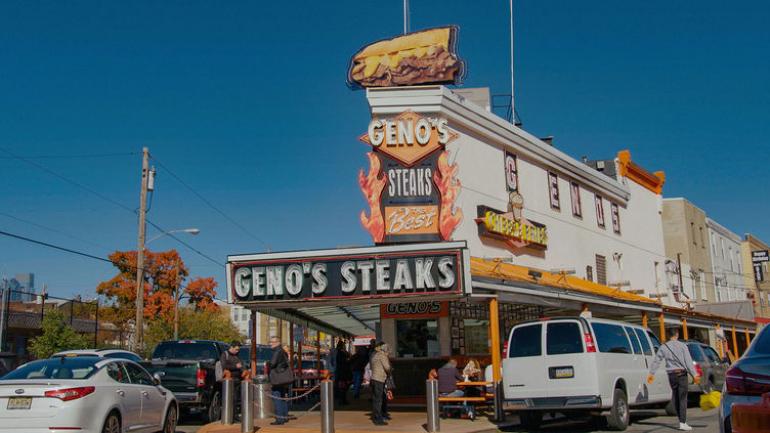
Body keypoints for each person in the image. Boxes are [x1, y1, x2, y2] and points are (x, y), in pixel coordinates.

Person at [647, 329, 700, 431]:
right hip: (681, 374)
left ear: (668, 335)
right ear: (677, 334)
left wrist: (651, 374)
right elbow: (688, 361)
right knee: (683, 398)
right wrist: (695, 375)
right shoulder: (682, 346)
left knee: (675, 397)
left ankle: (680, 419)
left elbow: (657, 361)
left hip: (671, 375)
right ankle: (682, 422)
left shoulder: (664, 347)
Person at [268, 336, 294, 426]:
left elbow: (272, 363)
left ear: (278, 342)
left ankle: (280, 419)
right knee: (282, 397)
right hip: (283, 378)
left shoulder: (277, 351)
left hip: (277, 378)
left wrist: (268, 363)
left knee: (277, 397)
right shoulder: (283, 351)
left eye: (272, 342)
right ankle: (284, 416)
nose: (270, 344)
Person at [370, 342, 392, 426]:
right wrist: (390, 369)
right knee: (379, 400)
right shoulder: (382, 355)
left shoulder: (374, 355)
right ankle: (378, 419)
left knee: (376, 399)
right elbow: (387, 367)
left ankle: (378, 416)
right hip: (379, 379)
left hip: (374, 378)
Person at [220, 341, 243, 416]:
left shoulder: (237, 355)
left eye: (238, 350)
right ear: (231, 347)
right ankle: (231, 416)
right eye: (236, 349)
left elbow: (241, 364)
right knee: (231, 399)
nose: (237, 351)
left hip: (237, 379)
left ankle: (235, 415)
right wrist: (235, 366)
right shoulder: (225, 354)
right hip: (229, 380)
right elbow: (224, 366)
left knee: (236, 399)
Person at [334, 340, 352, 405]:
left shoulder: (339, 352)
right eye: (344, 345)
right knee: (343, 387)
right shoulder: (341, 353)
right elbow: (344, 362)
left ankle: (343, 400)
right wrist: (348, 359)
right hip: (342, 373)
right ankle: (342, 400)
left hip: (341, 372)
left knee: (343, 387)